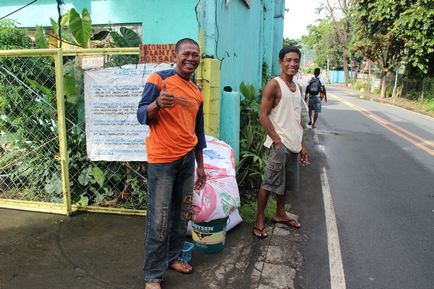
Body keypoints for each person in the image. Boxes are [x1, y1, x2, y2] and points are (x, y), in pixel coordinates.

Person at [137, 38, 206, 289]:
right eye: (186, 54)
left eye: (195, 55)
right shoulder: (159, 79)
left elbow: (197, 131)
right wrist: (157, 104)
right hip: (163, 160)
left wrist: (201, 166)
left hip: (187, 159)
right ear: (176, 55)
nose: (191, 58)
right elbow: (141, 114)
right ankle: (153, 275)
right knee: (160, 217)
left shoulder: (196, 91)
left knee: (182, 213)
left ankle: (173, 257)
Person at [253, 46, 309, 239]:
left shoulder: (297, 88)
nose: (292, 64)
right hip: (279, 144)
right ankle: (259, 220)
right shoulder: (274, 85)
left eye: (296, 60)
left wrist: (301, 145)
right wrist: (276, 139)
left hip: (293, 144)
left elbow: (297, 119)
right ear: (280, 62)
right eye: (288, 60)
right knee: (269, 183)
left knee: (284, 184)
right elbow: (263, 114)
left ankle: (280, 213)